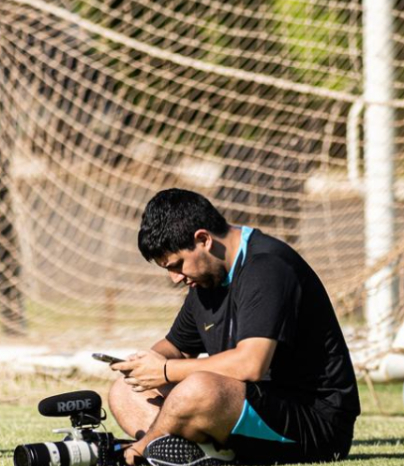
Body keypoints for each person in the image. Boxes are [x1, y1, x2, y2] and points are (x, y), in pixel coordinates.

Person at [109, 189, 359, 466]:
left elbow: (250, 365)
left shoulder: (267, 267)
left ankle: (144, 452)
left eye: (177, 265)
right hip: (247, 407)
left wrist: (165, 371)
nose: (175, 278)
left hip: (314, 425)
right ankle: (191, 453)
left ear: (203, 239)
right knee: (125, 390)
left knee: (199, 388)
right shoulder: (208, 277)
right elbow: (176, 347)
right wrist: (142, 365)